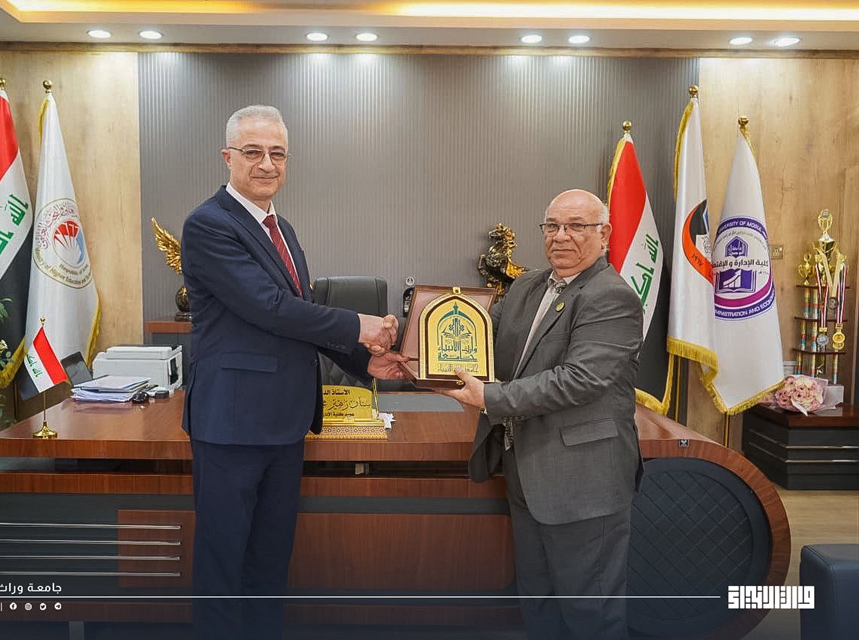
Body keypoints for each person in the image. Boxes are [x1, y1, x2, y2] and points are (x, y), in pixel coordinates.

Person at [180, 104, 407, 640]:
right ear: (228, 157)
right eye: (253, 152)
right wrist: (360, 325)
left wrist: (362, 359)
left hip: (285, 425)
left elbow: (298, 317)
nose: (267, 164)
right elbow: (270, 308)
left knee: (270, 565)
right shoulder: (209, 224)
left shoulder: (280, 228)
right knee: (221, 568)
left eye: (277, 153)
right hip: (232, 425)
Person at [441, 189, 644, 640]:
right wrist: (415, 349)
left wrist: (491, 398)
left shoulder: (612, 297)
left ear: (604, 233)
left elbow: (579, 380)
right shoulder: (528, 286)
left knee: (590, 611)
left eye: (576, 226)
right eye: (552, 226)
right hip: (527, 471)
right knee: (538, 602)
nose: (561, 236)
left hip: (583, 480)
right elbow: (480, 337)